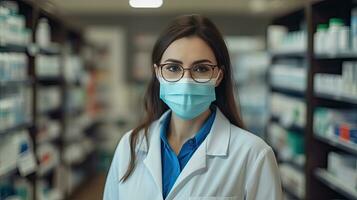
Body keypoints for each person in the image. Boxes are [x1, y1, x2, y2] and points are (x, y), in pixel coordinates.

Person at [103, 14, 282, 200]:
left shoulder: (253, 154)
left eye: (201, 69)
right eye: (173, 68)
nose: (186, 81)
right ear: (157, 73)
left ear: (219, 76)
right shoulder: (130, 146)